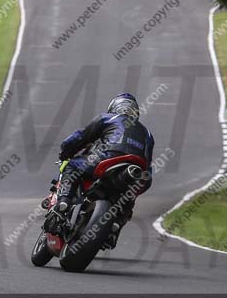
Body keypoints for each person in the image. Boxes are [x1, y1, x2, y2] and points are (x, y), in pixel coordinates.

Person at [44, 93, 154, 244]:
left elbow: (81, 137)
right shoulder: (148, 134)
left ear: (114, 107)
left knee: (72, 165)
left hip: (108, 159)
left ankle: (63, 203)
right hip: (138, 172)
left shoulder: (108, 118)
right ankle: (116, 225)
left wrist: (65, 151)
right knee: (129, 196)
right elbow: (148, 163)